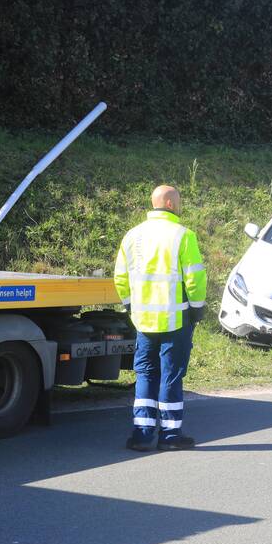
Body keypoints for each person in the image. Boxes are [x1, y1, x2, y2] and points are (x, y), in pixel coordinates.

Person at [114, 185, 207, 451]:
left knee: (145, 374)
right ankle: (170, 436)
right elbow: (195, 277)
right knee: (170, 376)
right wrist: (197, 307)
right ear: (168, 203)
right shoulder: (183, 235)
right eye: (177, 201)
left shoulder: (132, 236)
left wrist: (130, 304)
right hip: (176, 320)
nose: (180, 206)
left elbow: (121, 277)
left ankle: (142, 434)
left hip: (143, 321)